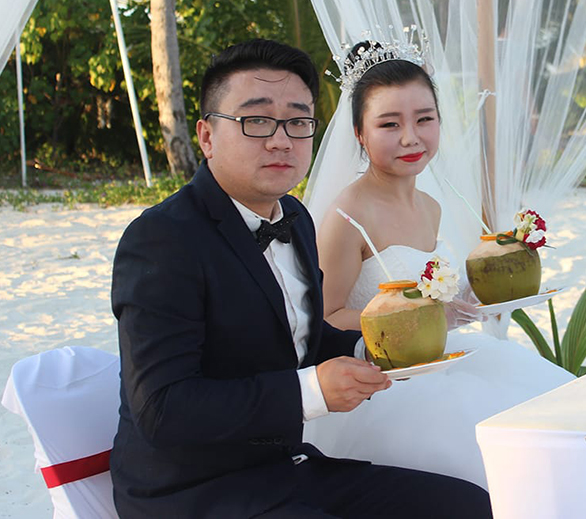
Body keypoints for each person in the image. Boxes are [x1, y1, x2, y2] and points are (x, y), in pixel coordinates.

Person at [110, 39, 492, 518]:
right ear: (207, 136)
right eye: (256, 121)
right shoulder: (162, 238)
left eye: (297, 121)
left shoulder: (295, 217)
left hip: (283, 469)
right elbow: (162, 408)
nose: (280, 140)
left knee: (469, 506)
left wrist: (371, 350)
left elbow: (303, 337)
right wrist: (310, 391)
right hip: (191, 493)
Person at [305, 40, 573, 489]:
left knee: (551, 415)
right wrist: (420, 318)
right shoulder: (347, 216)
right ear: (359, 134)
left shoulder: (431, 205)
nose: (411, 137)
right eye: (389, 124)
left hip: (446, 358)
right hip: (391, 385)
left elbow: (437, 292)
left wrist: (480, 291)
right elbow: (326, 318)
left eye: (424, 119)